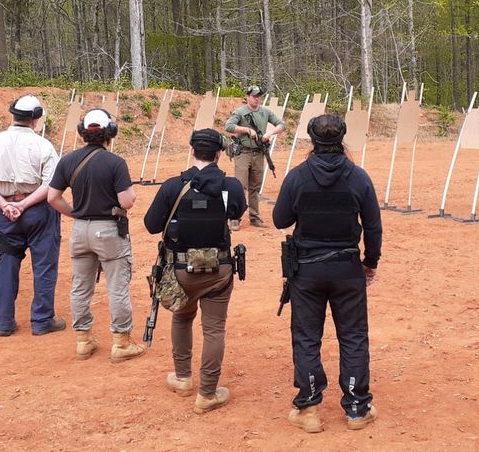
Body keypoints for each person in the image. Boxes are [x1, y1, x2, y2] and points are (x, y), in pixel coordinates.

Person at [273, 114, 381, 433]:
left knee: (307, 337)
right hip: (347, 267)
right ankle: (357, 408)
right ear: (342, 139)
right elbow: (373, 226)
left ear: (312, 140)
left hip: (307, 269)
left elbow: (280, 219)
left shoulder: (298, 177)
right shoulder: (359, 177)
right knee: (353, 336)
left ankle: (308, 408)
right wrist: (370, 262)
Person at [143, 128, 247, 414]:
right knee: (214, 329)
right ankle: (208, 393)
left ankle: (182, 377)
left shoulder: (173, 186)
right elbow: (236, 213)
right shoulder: (231, 186)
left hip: (180, 269)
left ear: (192, 151)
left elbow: (151, 225)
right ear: (219, 153)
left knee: (182, 318)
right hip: (219, 269)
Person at [47, 108, 143, 362]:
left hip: (80, 230)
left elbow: (52, 197)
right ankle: (121, 343)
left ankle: (83, 340)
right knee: (117, 288)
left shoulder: (67, 161)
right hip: (109, 230)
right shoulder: (115, 162)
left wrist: (76, 214)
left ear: (82, 133)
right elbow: (127, 200)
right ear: (109, 133)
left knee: (80, 288)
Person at [0, 95, 63, 337]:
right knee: (44, 265)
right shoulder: (43, 145)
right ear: (35, 119)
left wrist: (5, 204)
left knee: (7, 265)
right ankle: (42, 320)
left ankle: (4, 322)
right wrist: (24, 204)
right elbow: (51, 184)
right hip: (38, 211)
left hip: (5, 213)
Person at [223, 85, 285, 230]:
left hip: (259, 153)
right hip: (243, 152)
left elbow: (282, 125)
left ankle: (254, 217)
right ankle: (235, 218)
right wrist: (246, 130)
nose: (257, 98)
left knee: (255, 187)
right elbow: (229, 126)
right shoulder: (240, 112)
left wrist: (269, 134)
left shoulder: (265, 112)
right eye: (254, 96)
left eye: (258, 96)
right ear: (248, 96)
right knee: (240, 186)